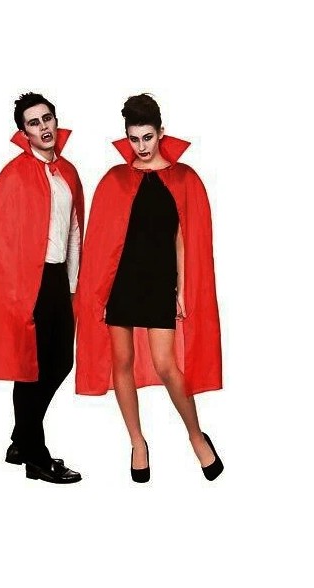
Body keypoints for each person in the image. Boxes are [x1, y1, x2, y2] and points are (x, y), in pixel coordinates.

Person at [75, 93, 223, 482]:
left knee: (166, 366)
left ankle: (196, 436)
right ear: (126, 136)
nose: (141, 147)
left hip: (159, 283)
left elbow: (182, 239)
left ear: (160, 132)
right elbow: (102, 241)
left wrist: (181, 288)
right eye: (134, 139)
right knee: (121, 362)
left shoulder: (183, 177)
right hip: (121, 284)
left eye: (147, 137)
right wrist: (98, 290)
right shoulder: (115, 179)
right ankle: (137, 442)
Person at [0, 92, 84, 484]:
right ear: (24, 133)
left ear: (56, 120)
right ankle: (36, 457)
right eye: (34, 123)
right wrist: (12, 297)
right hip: (26, 283)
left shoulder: (68, 172)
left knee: (61, 362)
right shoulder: (13, 175)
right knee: (31, 368)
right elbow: (1, 241)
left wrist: (74, 284)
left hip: (58, 279)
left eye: (47, 118)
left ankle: (20, 440)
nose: (43, 127)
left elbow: (75, 230)